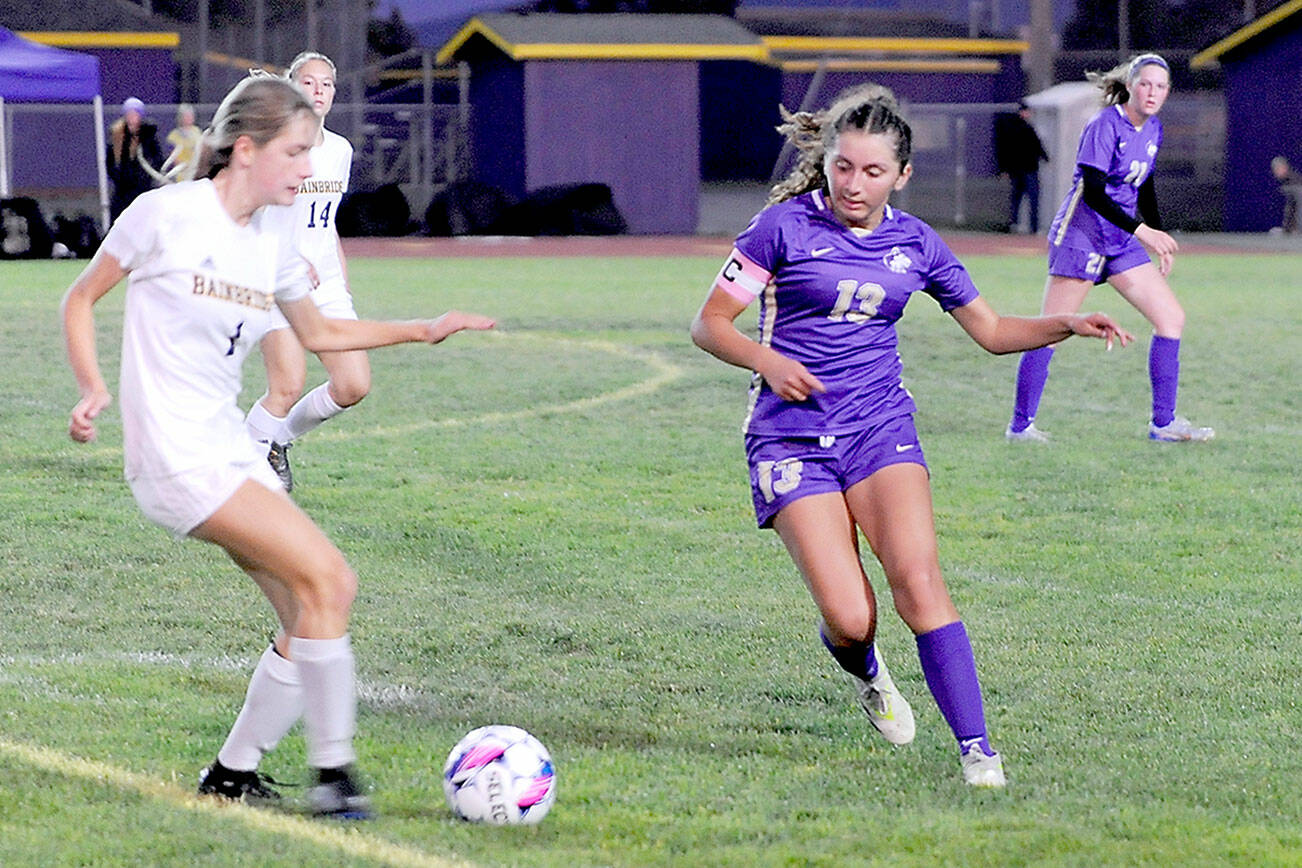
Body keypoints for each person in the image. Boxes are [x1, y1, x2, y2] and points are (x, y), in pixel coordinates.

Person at [62, 74, 495, 818]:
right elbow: (81, 296)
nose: (307, 167)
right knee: (331, 578)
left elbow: (323, 333)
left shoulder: (274, 246)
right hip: (176, 459)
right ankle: (335, 779)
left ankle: (232, 775)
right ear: (245, 149)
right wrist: (92, 386)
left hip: (225, 451)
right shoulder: (164, 215)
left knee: (307, 611)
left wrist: (422, 328)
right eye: (295, 153)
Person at [690, 84, 1131, 787]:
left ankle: (978, 750)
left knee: (919, 582)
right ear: (826, 161)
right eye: (842, 167)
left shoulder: (916, 242)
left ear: (902, 175)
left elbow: (990, 332)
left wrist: (1065, 324)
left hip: (879, 428)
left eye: (871, 172)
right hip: (790, 440)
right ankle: (865, 667)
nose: (853, 184)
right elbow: (709, 324)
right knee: (850, 615)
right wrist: (768, 360)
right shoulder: (779, 227)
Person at [1006, 53, 1214, 444]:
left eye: (1161, 87)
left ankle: (1163, 423)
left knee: (1171, 318)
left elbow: (1144, 186)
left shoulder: (1153, 130)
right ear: (1132, 85)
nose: (1153, 93)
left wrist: (1157, 234)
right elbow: (1097, 194)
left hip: (1120, 241)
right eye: (1146, 84)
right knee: (1049, 330)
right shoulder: (1105, 125)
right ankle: (1019, 426)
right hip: (1082, 234)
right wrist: (1143, 232)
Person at [243, 52, 362, 492]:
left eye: (326, 84)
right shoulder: (272, 147)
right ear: (292, 87)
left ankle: (277, 442)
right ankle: (243, 476)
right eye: (308, 83)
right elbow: (252, 216)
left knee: (352, 385)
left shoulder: (340, 150)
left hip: (325, 284)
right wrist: (291, 258)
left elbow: (325, 222)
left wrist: (339, 278)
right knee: (286, 385)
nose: (318, 92)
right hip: (277, 281)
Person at [106, 97, 164, 224]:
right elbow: (110, 164)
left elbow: (158, 158)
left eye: (135, 114)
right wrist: (119, 177)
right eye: (129, 114)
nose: (132, 118)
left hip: (143, 188)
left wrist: (147, 176)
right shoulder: (117, 137)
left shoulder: (148, 136)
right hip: (123, 190)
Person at [994, 100, 1049, 234]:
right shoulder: (1026, 129)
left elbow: (1003, 150)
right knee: (1030, 198)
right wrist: (1045, 157)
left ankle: (1016, 224)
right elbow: (1037, 146)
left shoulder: (1012, 129)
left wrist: (1003, 169)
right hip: (1027, 169)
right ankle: (1031, 227)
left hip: (1018, 169)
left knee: (1017, 198)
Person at [161, 103, 203, 182]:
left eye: (191, 115)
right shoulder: (173, 136)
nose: (189, 118)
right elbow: (173, 158)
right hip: (180, 174)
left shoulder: (197, 131)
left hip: (195, 171)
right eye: (186, 116)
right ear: (181, 117)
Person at [1269, 156, 1302, 235]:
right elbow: (1291, 207)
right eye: (1274, 170)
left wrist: (1298, 229)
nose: (1276, 172)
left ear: (1285, 167)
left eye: (1278, 169)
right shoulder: (1289, 182)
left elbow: (1294, 207)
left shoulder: (1295, 183)